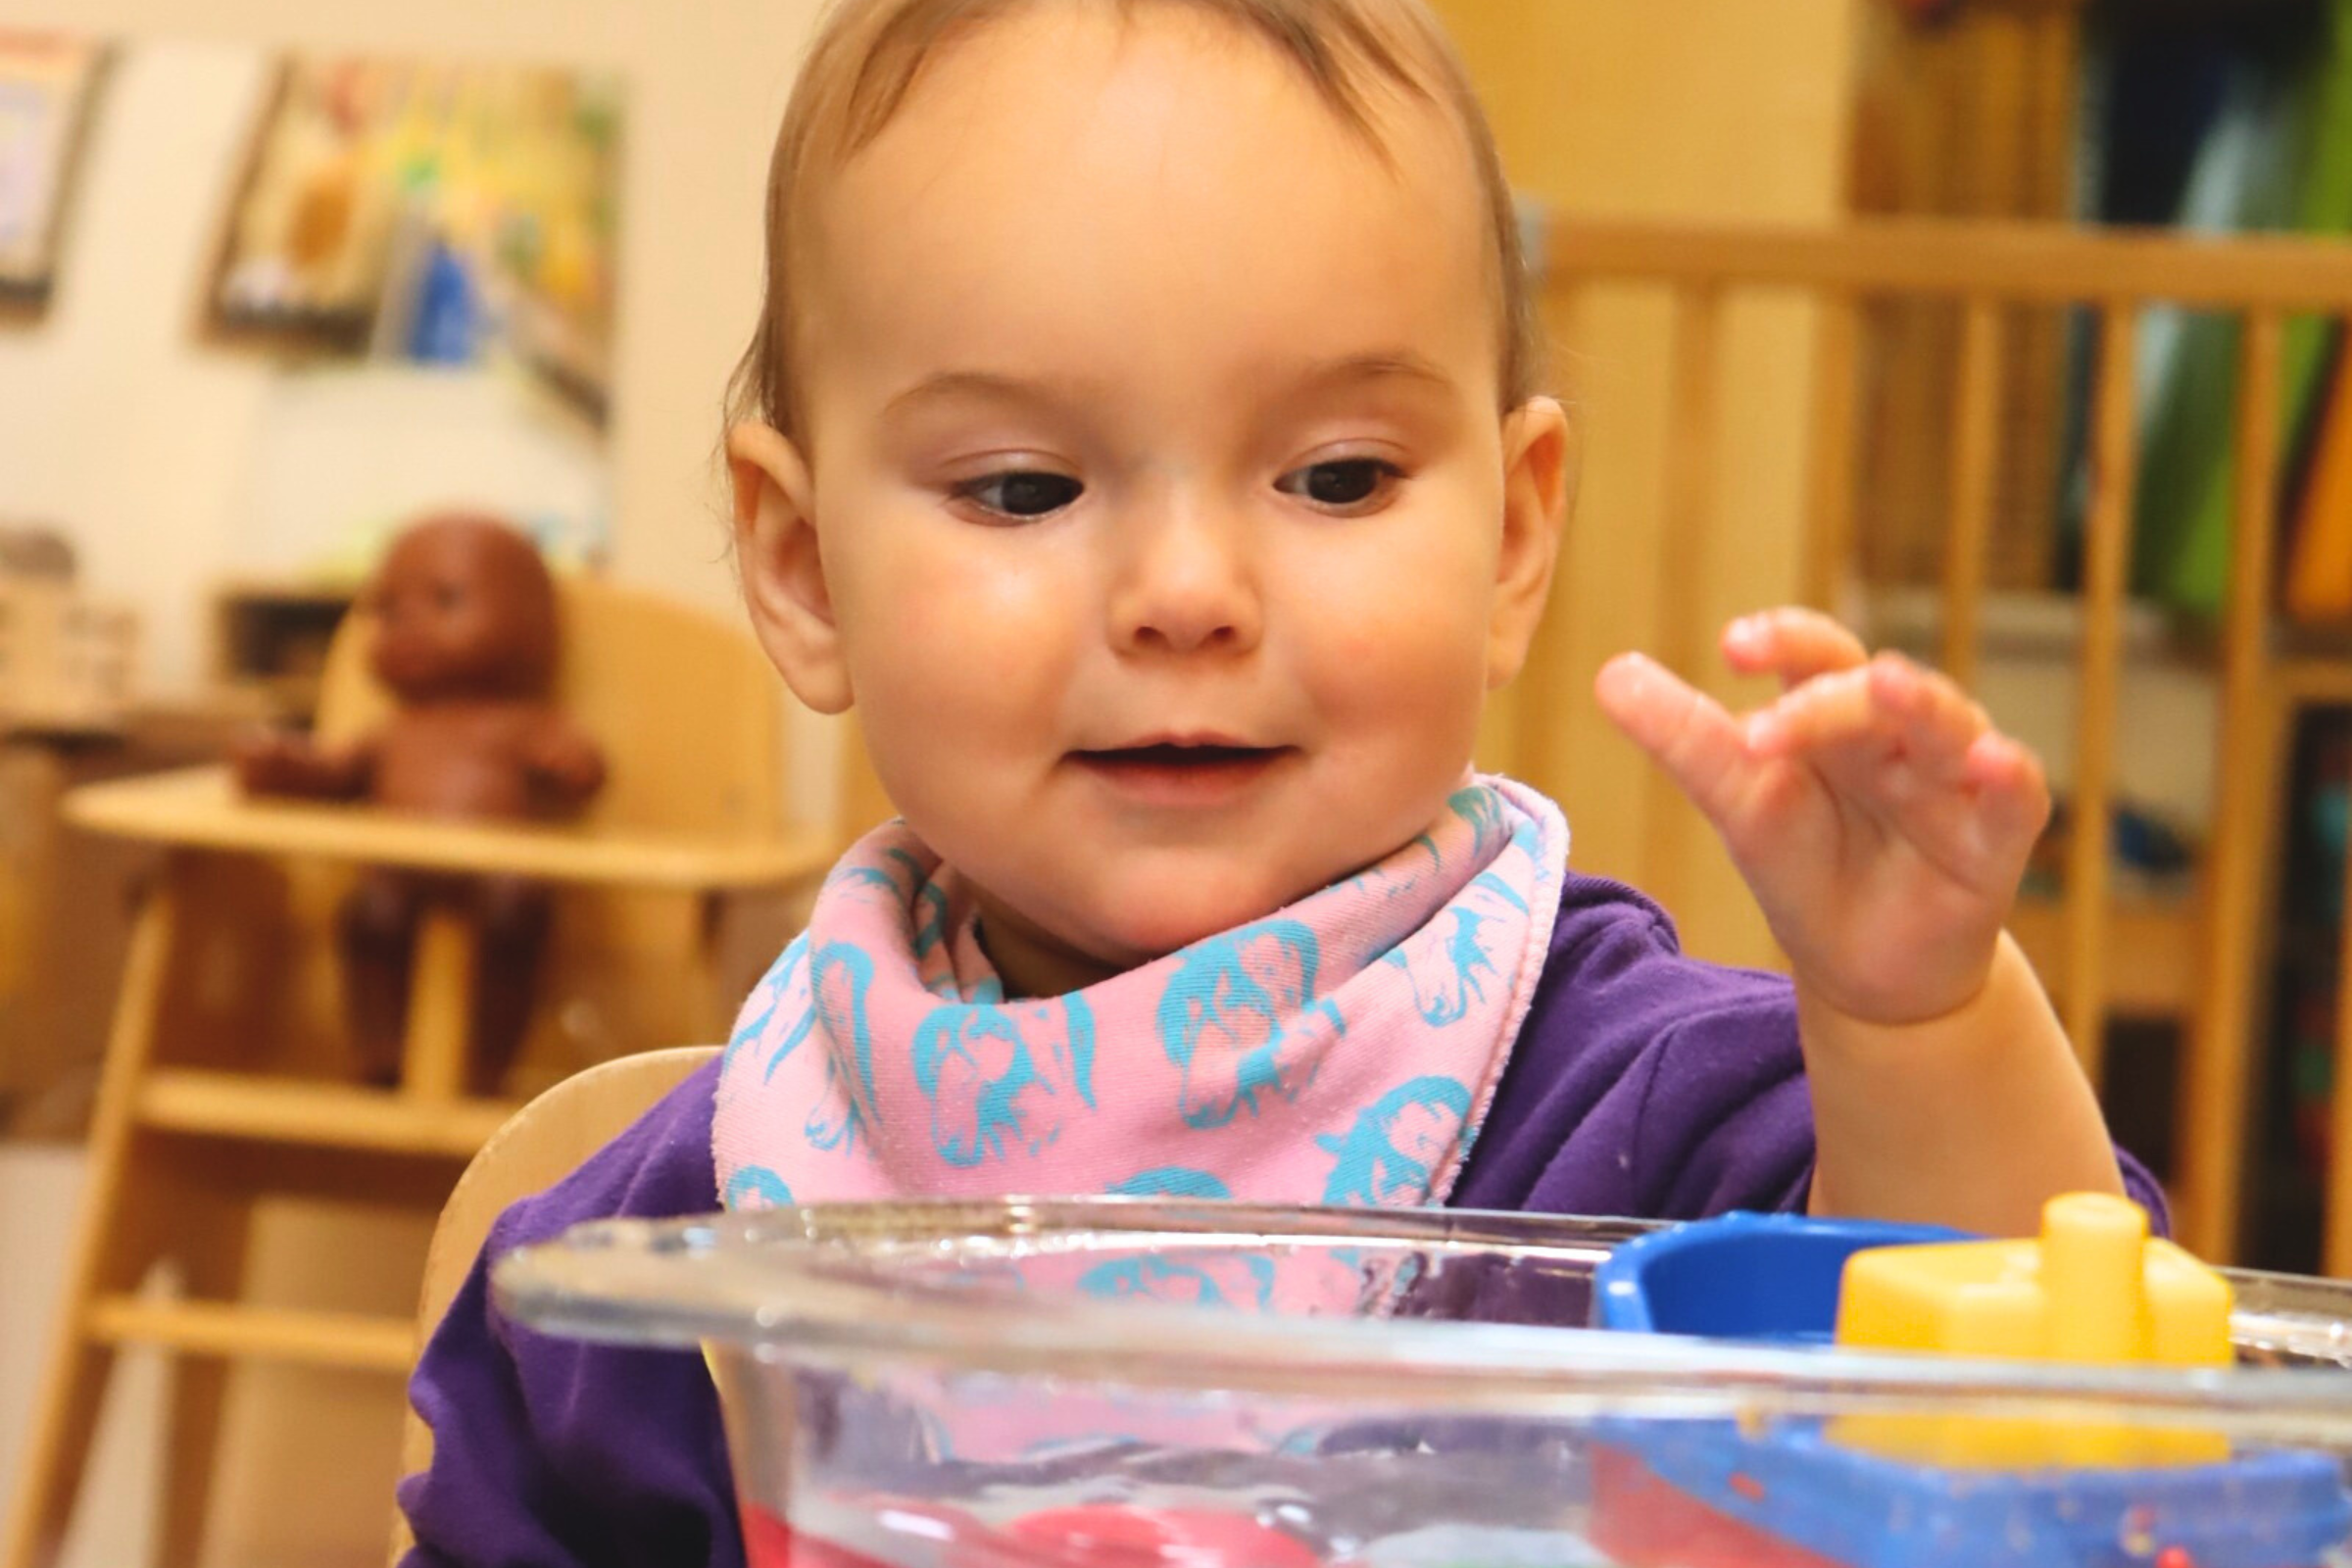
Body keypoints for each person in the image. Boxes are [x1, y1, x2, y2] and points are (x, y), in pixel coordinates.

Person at [398, 1, 2156, 1562]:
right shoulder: (674, 1231)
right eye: (1022, 489)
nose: (1188, 594)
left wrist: (1919, 1028)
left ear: (1517, 535)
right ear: (800, 569)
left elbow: (2035, 1434)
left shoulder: (1644, 1115)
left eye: (1332, 477)